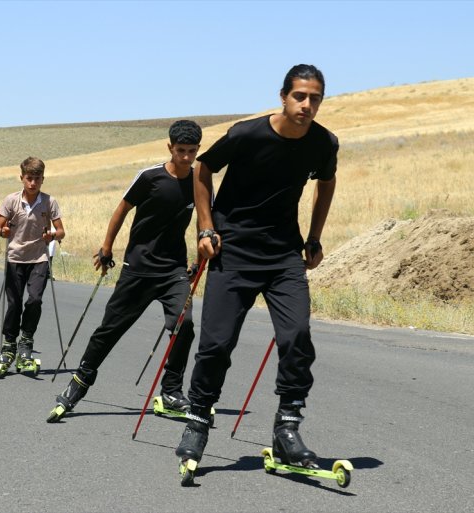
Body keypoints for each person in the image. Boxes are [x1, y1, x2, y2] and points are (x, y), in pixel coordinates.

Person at [175, 64, 338, 482]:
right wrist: (206, 227)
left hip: (283, 256)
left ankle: (287, 428)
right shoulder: (247, 134)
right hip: (233, 252)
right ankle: (198, 420)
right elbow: (203, 169)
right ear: (283, 96)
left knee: (296, 336)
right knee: (216, 345)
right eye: (299, 96)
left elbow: (326, 182)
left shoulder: (323, 142)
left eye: (315, 98)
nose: (307, 104)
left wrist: (314, 238)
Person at [47, 120, 203, 423]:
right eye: (181, 150)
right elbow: (121, 210)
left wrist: (197, 259)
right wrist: (106, 249)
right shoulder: (149, 177)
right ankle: (79, 382)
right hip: (138, 268)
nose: (186, 157)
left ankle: (171, 392)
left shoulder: (199, 182)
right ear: (170, 147)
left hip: (173, 270)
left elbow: (204, 221)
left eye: (192, 151)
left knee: (184, 325)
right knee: (110, 330)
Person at [0, 157, 65, 375]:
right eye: (29, 178)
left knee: (35, 300)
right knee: (14, 303)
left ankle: (26, 340)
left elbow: (61, 231)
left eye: (37, 179)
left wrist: (52, 235)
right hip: (15, 257)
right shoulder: (11, 200)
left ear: (43, 179)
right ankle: (9, 344)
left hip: (39, 258)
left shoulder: (49, 202)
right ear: (21, 178)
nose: (33, 183)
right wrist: (3, 232)